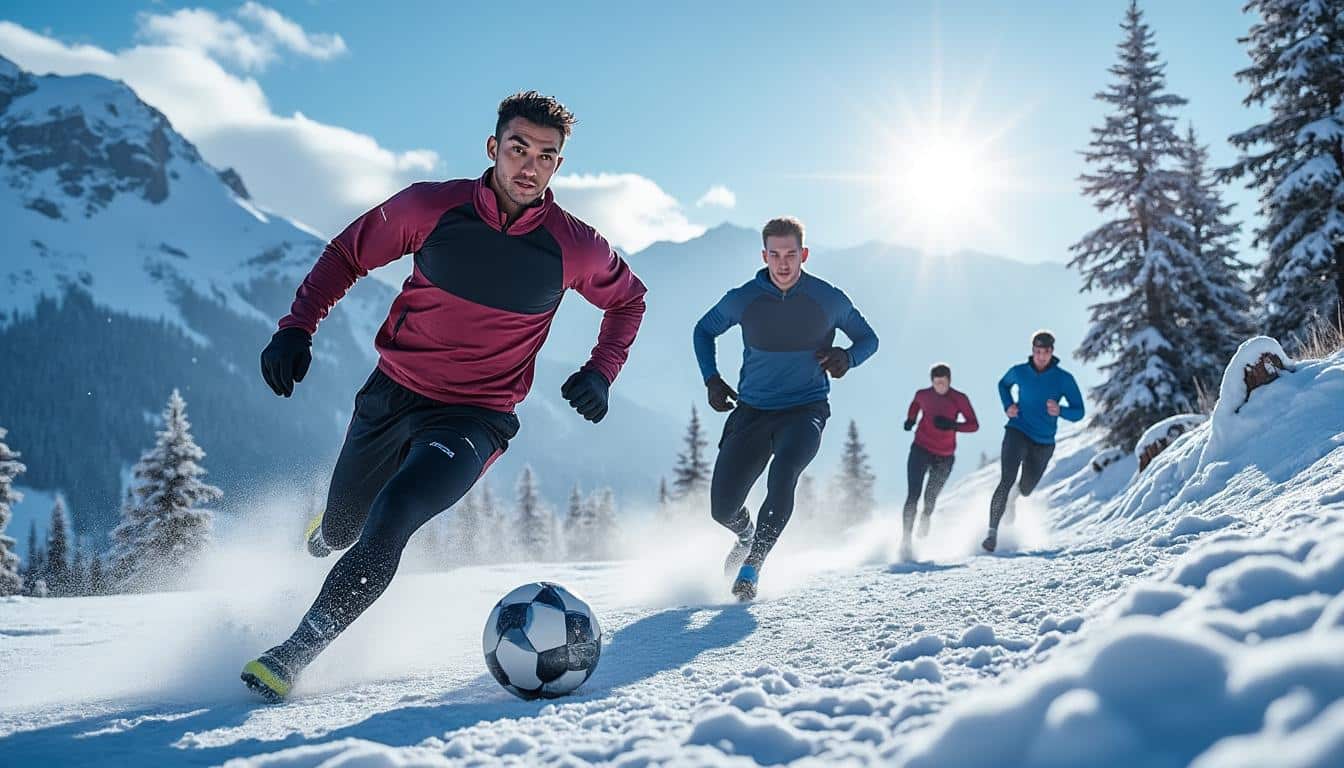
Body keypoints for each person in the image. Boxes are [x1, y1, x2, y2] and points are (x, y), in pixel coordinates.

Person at [241, 91, 647, 701]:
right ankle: (331, 528)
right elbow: (348, 254)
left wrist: (601, 369)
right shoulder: (431, 207)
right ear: (492, 148)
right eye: (518, 148)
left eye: (546, 155)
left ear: (558, 165)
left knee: (395, 514)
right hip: (391, 393)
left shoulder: (574, 246)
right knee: (344, 527)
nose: (529, 166)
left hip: (475, 418)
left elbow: (628, 300)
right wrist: (297, 328)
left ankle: (294, 653)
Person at [693, 216, 878, 601]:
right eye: (774, 254)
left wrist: (848, 357)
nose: (783, 263)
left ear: (803, 254)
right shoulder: (744, 298)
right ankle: (745, 535)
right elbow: (703, 330)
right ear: (763, 255)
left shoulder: (828, 298)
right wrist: (711, 378)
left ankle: (753, 565)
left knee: (784, 473)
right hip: (751, 412)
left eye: (791, 254)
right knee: (722, 508)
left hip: (805, 409)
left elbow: (868, 338)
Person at [982, 330, 1084, 552]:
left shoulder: (1063, 379)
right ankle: (991, 533)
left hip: (1044, 442)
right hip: (1017, 430)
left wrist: (1061, 410)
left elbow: (1079, 412)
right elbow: (1003, 384)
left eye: (1045, 352)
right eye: (1037, 352)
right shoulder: (1020, 372)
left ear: (1052, 352)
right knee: (1006, 478)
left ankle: (1013, 499)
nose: (1041, 356)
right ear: (1032, 351)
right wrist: (1008, 405)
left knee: (1026, 488)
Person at [900, 363, 978, 559]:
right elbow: (915, 404)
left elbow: (974, 425)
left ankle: (926, 516)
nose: (940, 387)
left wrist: (952, 425)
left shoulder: (959, 399)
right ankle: (906, 539)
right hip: (920, 449)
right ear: (932, 382)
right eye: (936, 383)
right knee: (913, 495)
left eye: (943, 383)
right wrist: (911, 420)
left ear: (949, 382)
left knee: (930, 498)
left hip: (944, 456)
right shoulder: (923, 394)